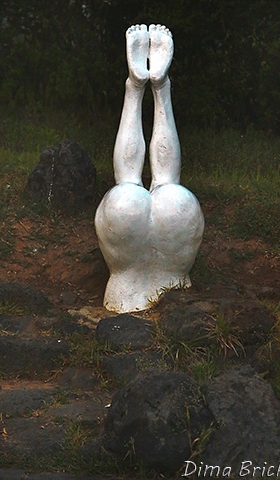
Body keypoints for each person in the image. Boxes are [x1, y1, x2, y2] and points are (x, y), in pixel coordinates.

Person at [95, 24, 205, 313]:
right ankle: (160, 86)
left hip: (122, 292)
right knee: (172, 189)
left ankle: (135, 87)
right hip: (175, 272)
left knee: (127, 188)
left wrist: (133, 88)